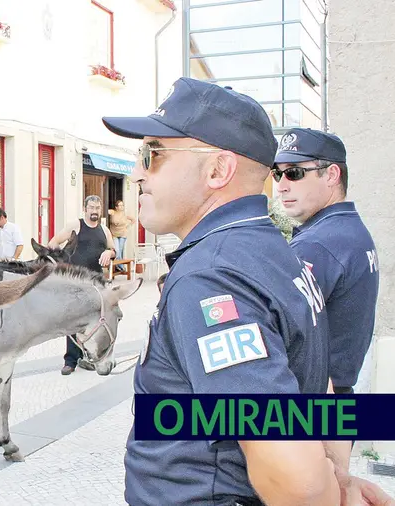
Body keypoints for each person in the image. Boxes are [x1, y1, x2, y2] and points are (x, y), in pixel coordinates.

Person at [102, 76, 341, 505]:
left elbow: (297, 481)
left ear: (217, 170)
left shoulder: (212, 277)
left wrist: (327, 490)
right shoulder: (275, 251)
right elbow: (317, 387)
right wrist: (337, 478)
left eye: (151, 155)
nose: (136, 174)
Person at [273, 127, 380, 460]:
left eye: (295, 173)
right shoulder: (350, 230)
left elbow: (279, 333)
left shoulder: (319, 244)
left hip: (313, 412)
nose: (281, 185)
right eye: (277, 173)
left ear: (332, 174)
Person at [48, 195, 116, 375]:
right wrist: (60, 263)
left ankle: (92, 356)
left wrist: (110, 252)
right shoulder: (75, 226)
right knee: (74, 320)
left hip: (96, 283)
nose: (94, 211)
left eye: (97, 208)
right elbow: (53, 242)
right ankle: (70, 360)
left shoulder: (105, 230)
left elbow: (113, 249)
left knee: (97, 320)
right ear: (85, 209)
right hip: (76, 283)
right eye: (91, 207)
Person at [108, 200, 136, 270]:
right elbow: (106, 211)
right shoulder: (113, 212)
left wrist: (128, 226)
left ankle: (119, 266)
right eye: (120, 205)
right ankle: (121, 266)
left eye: (122, 205)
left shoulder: (125, 214)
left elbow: (133, 220)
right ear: (116, 207)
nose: (121, 207)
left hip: (123, 234)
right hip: (114, 234)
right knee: (117, 250)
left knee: (120, 250)